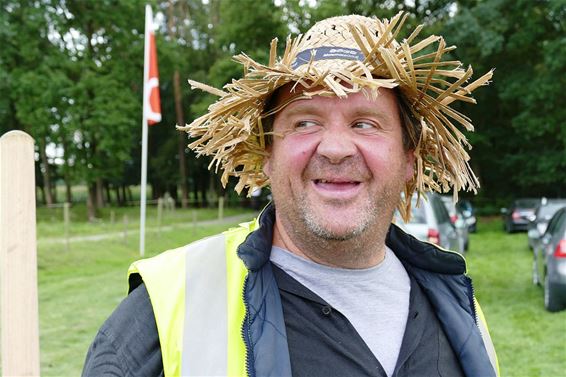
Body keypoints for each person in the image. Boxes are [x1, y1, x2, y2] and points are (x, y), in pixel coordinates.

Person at [83, 12, 498, 377]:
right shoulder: (171, 305)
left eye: (365, 123)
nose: (335, 149)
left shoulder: (458, 307)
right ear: (268, 154)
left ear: (410, 158)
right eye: (305, 123)